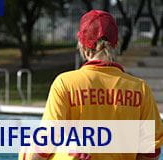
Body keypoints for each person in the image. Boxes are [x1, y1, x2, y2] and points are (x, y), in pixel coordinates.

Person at [19, 10, 163, 160]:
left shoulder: (65, 83)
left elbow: (45, 145)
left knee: (29, 145)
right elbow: (150, 153)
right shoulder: (140, 89)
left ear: (82, 44)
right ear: (116, 44)